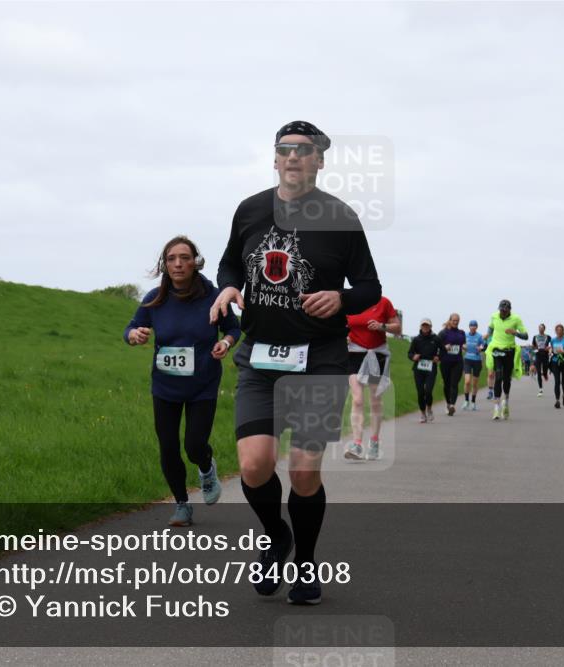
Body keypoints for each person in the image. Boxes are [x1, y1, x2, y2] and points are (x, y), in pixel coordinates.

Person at [210, 120, 381, 605]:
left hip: (320, 359)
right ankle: (275, 535)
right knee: (255, 465)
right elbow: (228, 263)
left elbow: (370, 287)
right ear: (275, 157)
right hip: (260, 360)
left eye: (303, 151)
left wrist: (340, 298)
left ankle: (305, 563)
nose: (292, 157)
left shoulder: (341, 217)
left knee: (305, 472)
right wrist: (228, 286)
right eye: (284, 149)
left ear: (319, 160)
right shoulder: (250, 209)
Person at [124, 236, 241, 527]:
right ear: (165, 264)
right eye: (172, 258)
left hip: (203, 383)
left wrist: (225, 343)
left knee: (194, 444)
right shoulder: (155, 299)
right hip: (165, 386)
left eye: (184, 257)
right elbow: (131, 328)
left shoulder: (214, 296)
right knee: (168, 446)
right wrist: (134, 336)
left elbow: (233, 329)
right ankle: (181, 505)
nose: (178, 263)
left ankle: (206, 468)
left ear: (195, 262)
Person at [345, 296, 401, 461]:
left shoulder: (384, 303)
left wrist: (382, 326)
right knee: (357, 400)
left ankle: (374, 442)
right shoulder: (349, 302)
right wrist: (345, 336)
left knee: (375, 401)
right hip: (354, 354)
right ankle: (356, 444)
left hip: (377, 354)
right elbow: (340, 327)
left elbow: (397, 328)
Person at [484, 299, 528, 420]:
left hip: (509, 350)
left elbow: (526, 336)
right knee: (498, 377)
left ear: (509, 310)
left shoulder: (516, 319)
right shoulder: (494, 316)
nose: (502, 312)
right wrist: (487, 335)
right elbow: (491, 327)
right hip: (496, 349)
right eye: (501, 310)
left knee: (506, 379)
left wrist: (515, 332)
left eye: (505, 310)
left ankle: (506, 402)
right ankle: (496, 408)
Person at [408, 318, 442, 423]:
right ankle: (423, 413)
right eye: (423, 325)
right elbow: (409, 353)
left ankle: (429, 408)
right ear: (421, 327)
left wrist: (438, 357)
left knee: (428, 391)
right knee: (420, 392)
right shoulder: (416, 339)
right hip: (419, 368)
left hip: (431, 367)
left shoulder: (436, 338)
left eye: (427, 326)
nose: (425, 327)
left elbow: (443, 351)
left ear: (430, 327)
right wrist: (413, 357)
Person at [437, 313, 466, 416]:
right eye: (454, 320)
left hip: (457, 361)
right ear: (449, 320)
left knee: (454, 383)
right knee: (447, 384)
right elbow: (437, 346)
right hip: (445, 361)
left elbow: (463, 343)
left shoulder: (461, 333)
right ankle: (448, 404)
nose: (455, 322)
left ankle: (452, 405)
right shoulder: (443, 333)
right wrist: (445, 347)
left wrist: (464, 346)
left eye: (457, 321)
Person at [460, 320, 486, 411]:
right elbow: (462, 344)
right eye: (471, 326)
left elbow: (483, 345)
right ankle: (466, 401)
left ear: (476, 327)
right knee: (467, 381)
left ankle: (473, 402)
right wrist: (463, 346)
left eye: (474, 326)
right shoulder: (465, 335)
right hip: (467, 359)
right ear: (469, 327)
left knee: (474, 383)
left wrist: (481, 348)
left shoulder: (479, 336)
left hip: (477, 361)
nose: (473, 327)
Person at [532, 323, 552, 396]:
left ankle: (545, 374)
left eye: (542, 328)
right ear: (538, 329)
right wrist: (535, 349)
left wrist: (549, 349)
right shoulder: (535, 337)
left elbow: (552, 345)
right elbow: (533, 346)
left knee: (545, 370)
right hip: (538, 355)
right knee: (539, 373)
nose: (540, 329)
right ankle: (540, 389)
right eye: (539, 327)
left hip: (545, 355)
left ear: (544, 329)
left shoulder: (548, 337)